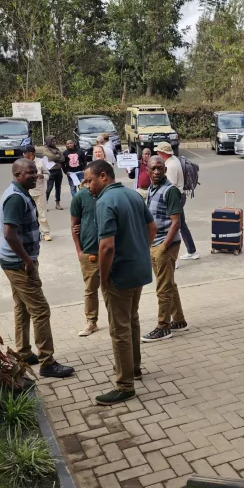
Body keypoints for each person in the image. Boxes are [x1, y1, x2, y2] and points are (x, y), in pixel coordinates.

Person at [88, 159, 156, 405]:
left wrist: (104, 279)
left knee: (119, 329)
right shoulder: (134, 195)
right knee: (132, 319)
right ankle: (134, 368)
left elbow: (106, 247)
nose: (88, 185)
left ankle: (125, 385)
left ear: (104, 176)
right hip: (138, 270)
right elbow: (152, 227)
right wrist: (141, 251)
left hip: (119, 274)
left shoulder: (105, 201)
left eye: (90, 180)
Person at [0, 158, 74, 378]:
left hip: (15, 261)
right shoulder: (15, 198)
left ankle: (23, 352)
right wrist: (27, 260)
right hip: (19, 263)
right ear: (17, 175)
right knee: (41, 310)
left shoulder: (20, 193)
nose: (35, 176)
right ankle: (47, 362)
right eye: (30, 173)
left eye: (36, 173)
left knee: (22, 307)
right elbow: (9, 234)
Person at [142, 155, 189, 343]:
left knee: (163, 287)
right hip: (155, 243)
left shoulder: (170, 191)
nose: (156, 171)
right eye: (153, 168)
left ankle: (163, 326)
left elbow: (176, 223)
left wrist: (163, 246)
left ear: (165, 169)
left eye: (160, 168)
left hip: (166, 244)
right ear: (147, 171)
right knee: (168, 283)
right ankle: (179, 321)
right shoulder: (152, 189)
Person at [155, 142, 198, 260]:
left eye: (158, 151)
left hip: (175, 198)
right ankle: (192, 251)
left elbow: (171, 187)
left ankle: (172, 256)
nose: (157, 153)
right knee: (181, 224)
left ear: (164, 153)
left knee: (172, 226)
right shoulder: (171, 160)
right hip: (179, 196)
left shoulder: (171, 166)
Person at [70, 174, 101, 337]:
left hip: (110, 250)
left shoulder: (107, 194)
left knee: (113, 288)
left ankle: (118, 319)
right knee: (90, 289)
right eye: (87, 181)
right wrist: (79, 251)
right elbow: (74, 225)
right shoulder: (79, 197)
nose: (89, 185)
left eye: (92, 181)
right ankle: (91, 321)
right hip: (89, 252)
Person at [23, 146, 52, 242]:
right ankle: (32, 234)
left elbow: (47, 175)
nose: (24, 155)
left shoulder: (40, 162)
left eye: (25, 153)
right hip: (27, 192)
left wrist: (41, 176)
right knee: (29, 214)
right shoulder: (23, 163)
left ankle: (45, 233)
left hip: (40, 191)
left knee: (42, 213)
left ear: (31, 153)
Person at [41, 136, 65, 210]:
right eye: (52, 141)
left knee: (58, 188)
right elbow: (51, 157)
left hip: (58, 171)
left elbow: (63, 159)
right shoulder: (45, 149)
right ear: (48, 142)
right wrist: (58, 155)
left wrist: (56, 156)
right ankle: (44, 204)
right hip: (50, 171)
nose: (54, 143)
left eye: (55, 141)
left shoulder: (56, 149)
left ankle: (57, 204)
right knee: (49, 188)